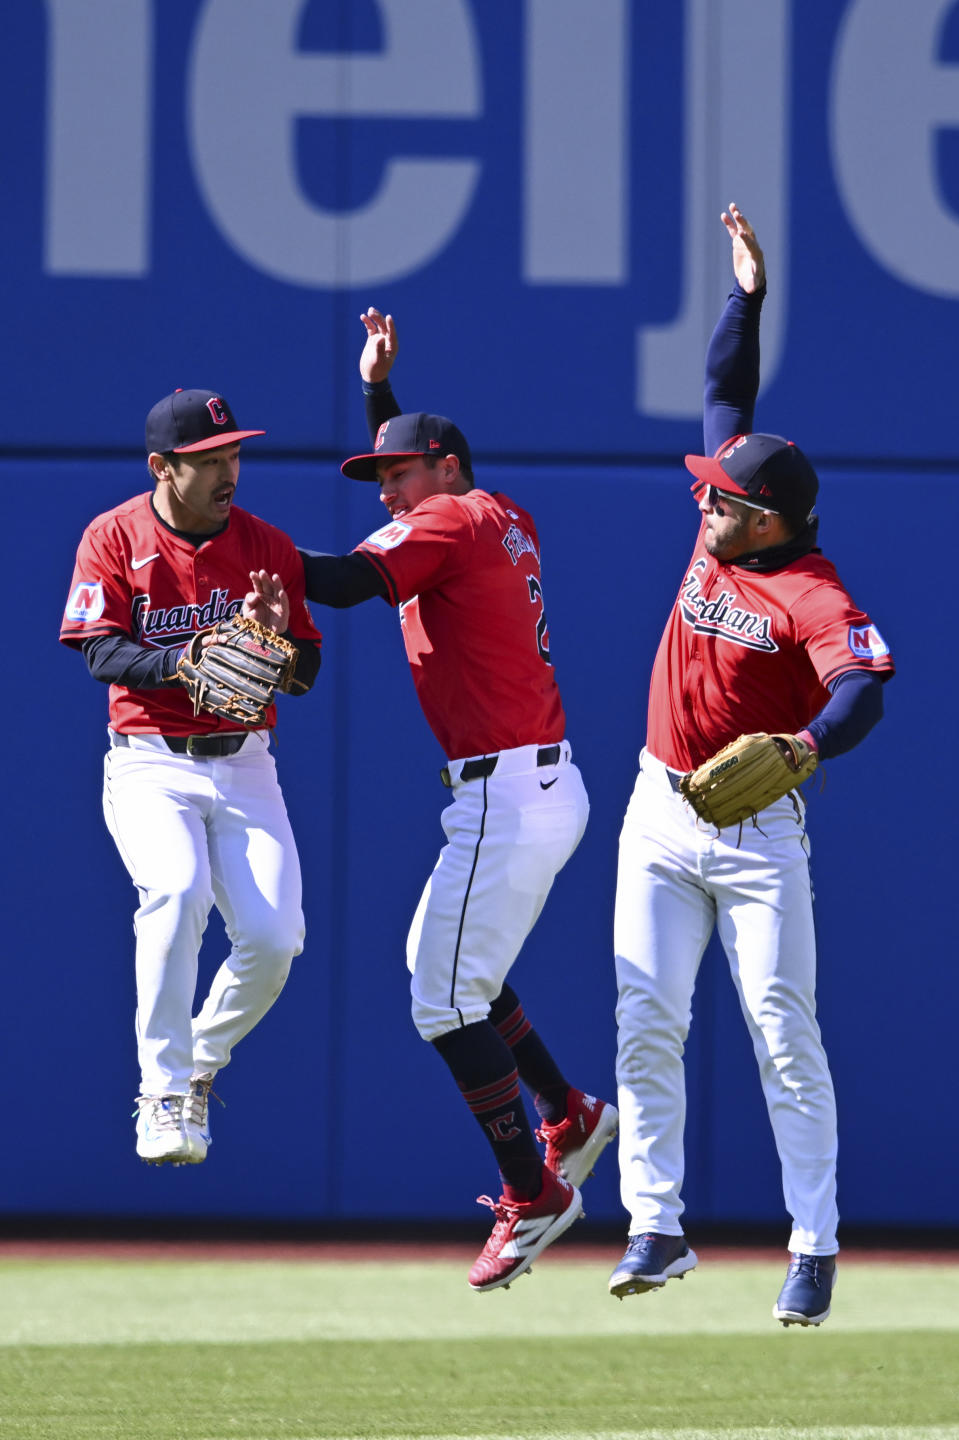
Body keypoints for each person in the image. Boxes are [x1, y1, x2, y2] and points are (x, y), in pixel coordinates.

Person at [283, 312, 617, 1291]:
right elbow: (413, 503)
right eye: (380, 478)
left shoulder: (452, 517)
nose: (387, 492)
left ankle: (535, 1191)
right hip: (536, 782)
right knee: (458, 971)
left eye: (399, 473)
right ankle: (568, 1113)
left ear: (449, 469)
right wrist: (384, 399)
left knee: (441, 995)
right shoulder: (498, 514)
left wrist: (234, 548)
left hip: (509, 795)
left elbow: (346, 583)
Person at [610, 206, 895, 1325]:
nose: (705, 501)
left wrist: (808, 744)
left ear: (768, 519)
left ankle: (814, 1246)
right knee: (646, 1018)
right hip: (657, 808)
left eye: (725, 498)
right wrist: (746, 295)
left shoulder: (812, 590)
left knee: (784, 1035)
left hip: (756, 838)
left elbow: (865, 683)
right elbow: (728, 399)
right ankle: (656, 1226)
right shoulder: (723, 517)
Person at [60, 388, 322, 1166]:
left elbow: (307, 674)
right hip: (150, 764)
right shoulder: (113, 535)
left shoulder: (267, 545)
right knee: (176, 895)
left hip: (244, 763)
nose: (227, 471)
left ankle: (198, 1062)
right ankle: (162, 1092)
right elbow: (98, 649)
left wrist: (276, 643)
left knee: (277, 939)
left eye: (234, 454)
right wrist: (184, 661)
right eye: (208, 460)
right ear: (161, 467)